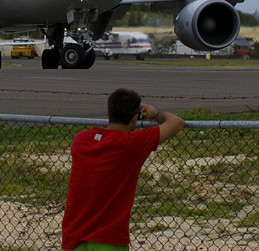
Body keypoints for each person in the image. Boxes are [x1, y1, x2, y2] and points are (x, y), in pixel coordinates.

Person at [60, 88, 185, 250]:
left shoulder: (81, 139)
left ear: (108, 114)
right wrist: (155, 114)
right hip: (109, 239)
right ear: (135, 118)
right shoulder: (131, 144)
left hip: (73, 236)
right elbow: (177, 123)